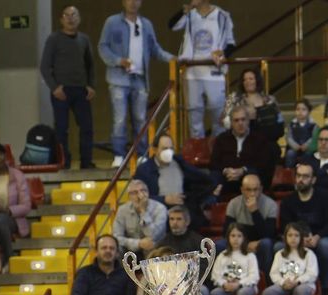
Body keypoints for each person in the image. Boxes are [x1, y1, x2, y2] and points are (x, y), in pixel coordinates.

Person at [99, 0, 170, 166]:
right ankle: (119, 154)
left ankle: (142, 154)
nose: (132, 3)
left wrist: (173, 58)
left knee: (140, 118)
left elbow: (155, 49)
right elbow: (103, 47)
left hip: (139, 78)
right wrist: (118, 60)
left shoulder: (146, 24)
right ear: (123, 2)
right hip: (118, 78)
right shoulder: (112, 22)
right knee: (120, 118)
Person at [280, 162, 328, 282]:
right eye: (298, 176)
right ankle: (285, 284)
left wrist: (317, 237)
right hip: (296, 238)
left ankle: (324, 288)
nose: (301, 180)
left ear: (313, 180)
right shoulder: (288, 201)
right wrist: (300, 239)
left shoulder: (325, 198)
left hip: (320, 237)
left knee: (326, 245)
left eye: (305, 176)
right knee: (278, 247)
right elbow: (285, 226)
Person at [43, 6, 98, 170]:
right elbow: (45, 66)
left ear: (79, 19)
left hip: (81, 91)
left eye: (74, 15)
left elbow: (91, 65)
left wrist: (91, 86)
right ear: (61, 19)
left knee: (87, 128)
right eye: (66, 15)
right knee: (61, 130)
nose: (70, 18)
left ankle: (86, 162)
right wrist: (54, 88)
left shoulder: (84, 39)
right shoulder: (54, 39)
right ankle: (64, 162)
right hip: (62, 92)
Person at [172, 0, 235, 140]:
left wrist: (222, 53)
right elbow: (172, 26)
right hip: (192, 72)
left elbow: (231, 44)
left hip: (214, 71)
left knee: (217, 110)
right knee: (194, 112)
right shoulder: (190, 14)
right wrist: (184, 10)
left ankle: (219, 145)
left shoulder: (222, 15)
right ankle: (197, 148)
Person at [133, 133, 214, 212]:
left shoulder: (180, 163)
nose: (168, 152)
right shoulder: (144, 170)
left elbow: (201, 180)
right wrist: (164, 199)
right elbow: (138, 197)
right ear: (155, 149)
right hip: (158, 212)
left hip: (182, 209)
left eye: (171, 148)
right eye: (164, 148)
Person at [210, 108, 276, 201]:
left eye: (243, 119)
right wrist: (226, 170)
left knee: (252, 175)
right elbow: (214, 162)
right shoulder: (221, 139)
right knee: (213, 176)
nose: (240, 123)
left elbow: (263, 164)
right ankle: (210, 207)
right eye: (236, 120)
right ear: (231, 123)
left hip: (248, 176)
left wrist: (243, 170)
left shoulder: (259, 139)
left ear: (248, 121)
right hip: (226, 177)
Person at [225, 173, 278, 276]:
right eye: (248, 190)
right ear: (242, 190)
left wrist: (254, 212)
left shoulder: (270, 205)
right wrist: (244, 243)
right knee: (220, 244)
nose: (252, 194)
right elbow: (227, 232)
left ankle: (266, 280)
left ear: (261, 189)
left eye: (256, 189)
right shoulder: (233, 204)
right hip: (239, 241)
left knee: (266, 243)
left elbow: (269, 234)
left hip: (259, 242)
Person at [262, 221, 317, 295]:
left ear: (301, 237)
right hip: (284, 285)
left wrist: (297, 281)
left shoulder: (308, 254)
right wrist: (283, 282)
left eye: (296, 235)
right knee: (268, 293)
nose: (293, 238)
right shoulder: (279, 254)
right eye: (290, 235)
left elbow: (312, 274)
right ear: (285, 237)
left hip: (303, 285)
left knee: (301, 291)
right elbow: (274, 273)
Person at [206, 222, 259, 295]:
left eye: (239, 236)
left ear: (244, 238)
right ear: (228, 238)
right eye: (233, 236)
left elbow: (254, 276)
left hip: (246, 286)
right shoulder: (223, 255)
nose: (236, 239)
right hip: (226, 287)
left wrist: (239, 284)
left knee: (243, 293)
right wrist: (224, 284)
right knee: (215, 293)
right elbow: (216, 275)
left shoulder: (250, 256)